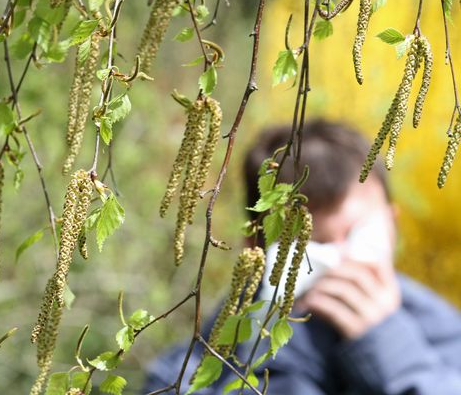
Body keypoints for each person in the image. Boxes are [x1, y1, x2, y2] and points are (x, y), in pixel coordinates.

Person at [143, 120, 461, 394]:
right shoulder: (216, 346)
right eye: (316, 246)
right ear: (256, 247)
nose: (344, 265)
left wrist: (395, 355)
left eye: (360, 236)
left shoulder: (439, 328)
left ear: (392, 224)